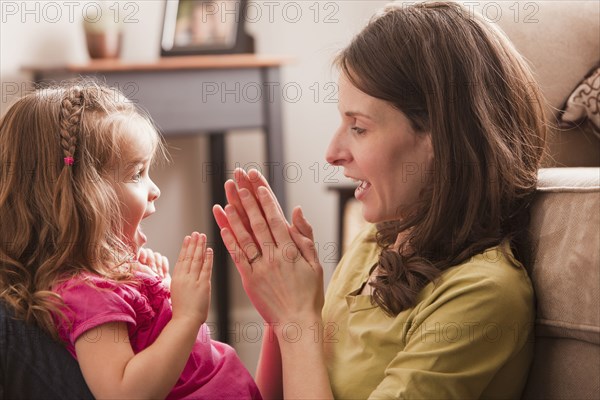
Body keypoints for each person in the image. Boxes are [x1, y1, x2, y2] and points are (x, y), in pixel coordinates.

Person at [213, 1, 547, 398]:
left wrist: (295, 319)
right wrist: (279, 309)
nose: (333, 152)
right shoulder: (375, 244)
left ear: (439, 138)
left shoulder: (484, 294)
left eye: (359, 128)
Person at [0, 82, 261, 399]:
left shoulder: (108, 277)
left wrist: (161, 303)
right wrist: (186, 318)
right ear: (86, 196)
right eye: (138, 173)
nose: (155, 190)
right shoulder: (89, 293)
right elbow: (124, 392)